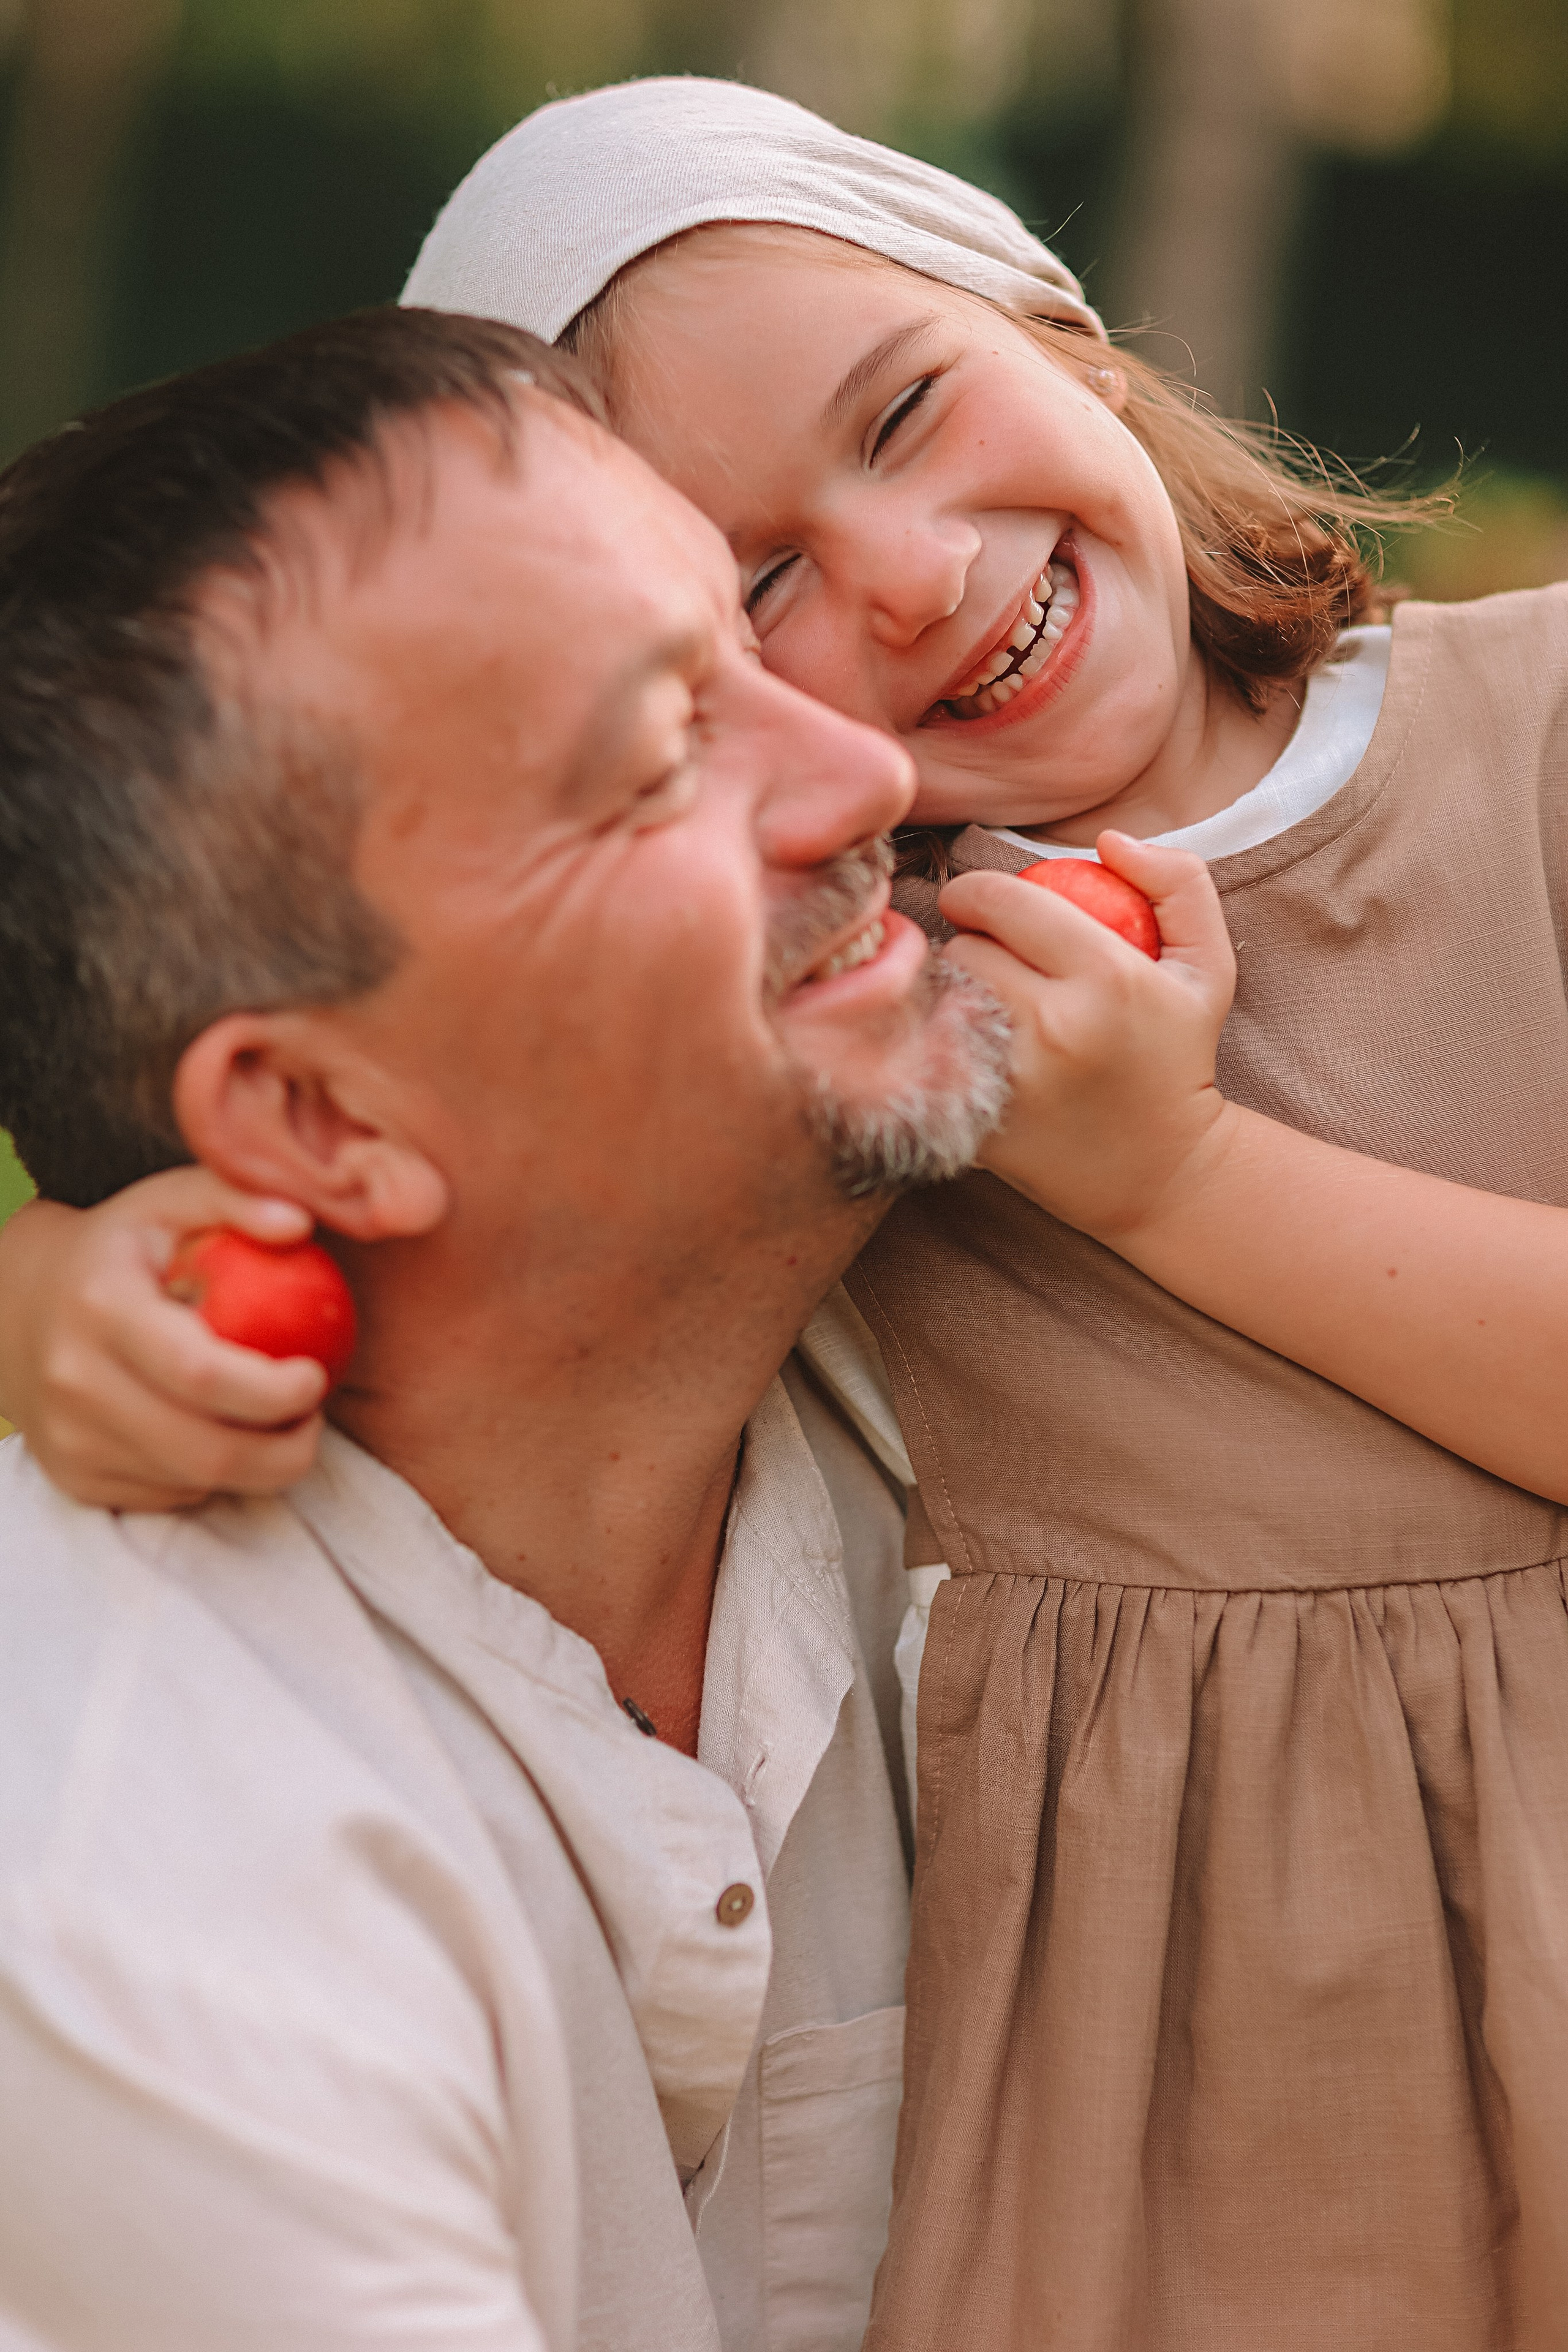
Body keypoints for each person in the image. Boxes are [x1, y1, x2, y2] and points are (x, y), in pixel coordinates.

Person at [8, 75, 1568, 2350]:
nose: (866, 739)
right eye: (697, 694)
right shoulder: (140, 1872)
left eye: (915, 409)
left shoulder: (910, 1145)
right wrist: (85, 1277)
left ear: (1066, 326)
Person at [0, 304, 1027, 2351]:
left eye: (751, 640)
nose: (866, 767)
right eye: (660, 760)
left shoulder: (1007, 1356)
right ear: (315, 1121)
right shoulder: (116, 1872)